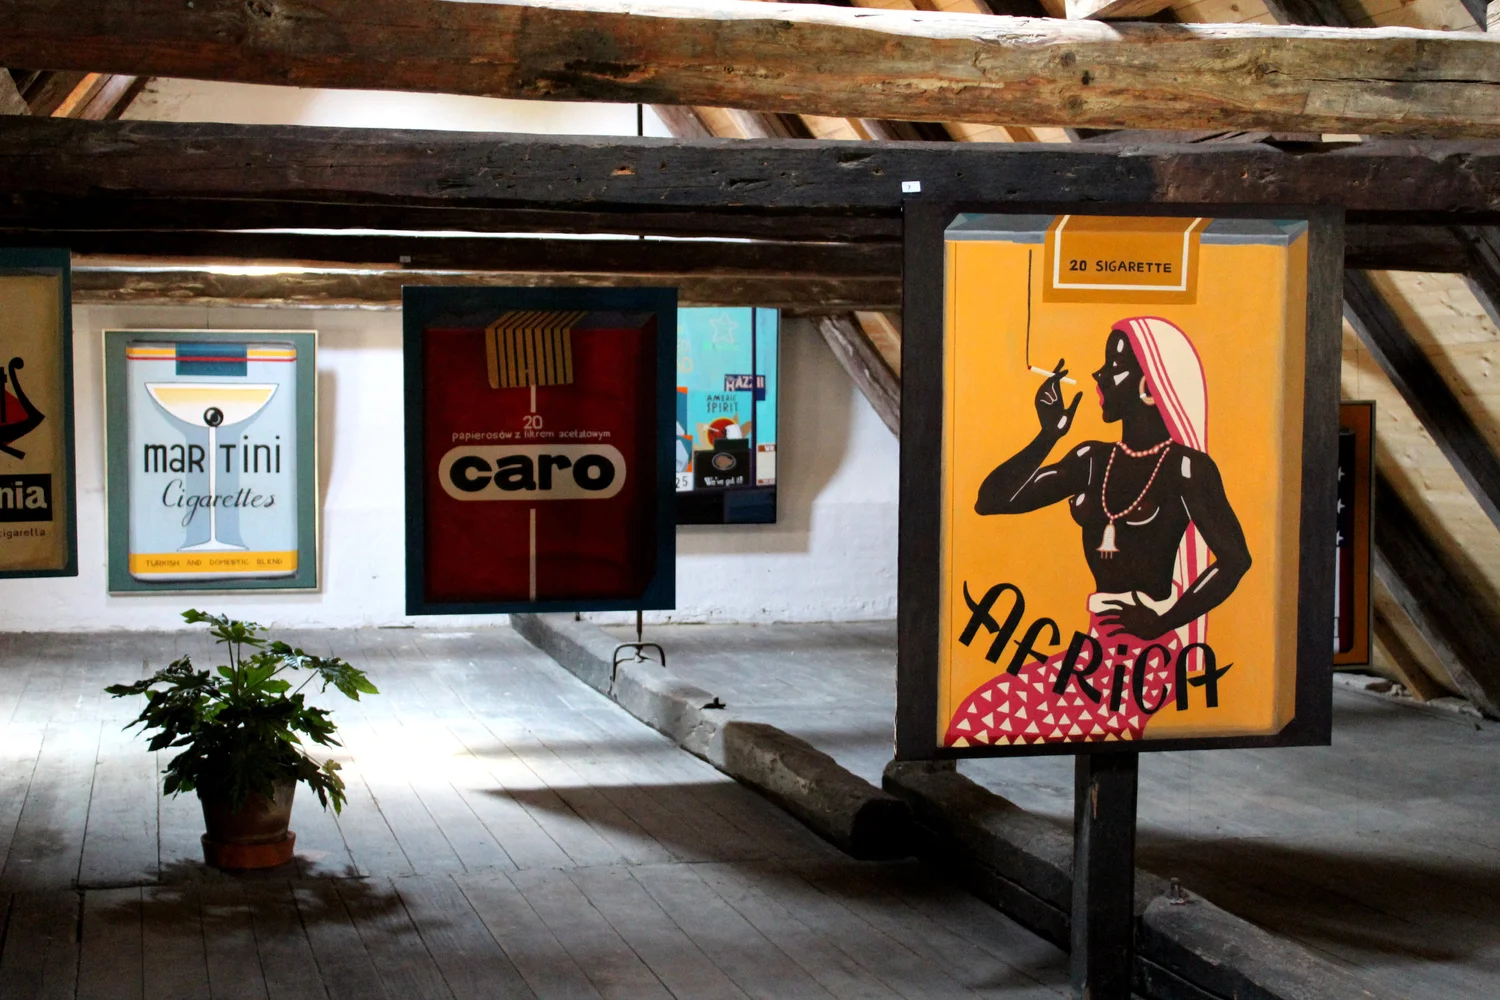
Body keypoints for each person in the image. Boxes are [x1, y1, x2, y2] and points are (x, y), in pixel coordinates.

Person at [945, 317, 1250, 747]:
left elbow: (1236, 560)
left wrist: (1163, 621)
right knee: (979, 716)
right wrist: (1047, 435)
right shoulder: (1091, 459)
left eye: (1114, 365)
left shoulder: (1185, 467)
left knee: (985, 722)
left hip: (1148, 655)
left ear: (1149, 385)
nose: (1098, 374)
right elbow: (991, 501)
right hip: (1097, 647)